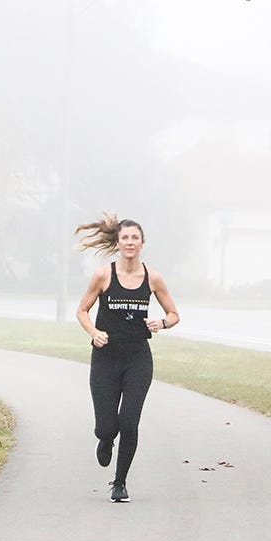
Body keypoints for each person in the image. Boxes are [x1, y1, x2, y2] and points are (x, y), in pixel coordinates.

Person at [74, 212, 180, 503]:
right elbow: (82, 310)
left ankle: (119, 483)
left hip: (138, 360)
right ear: (118, 243)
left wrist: (163, 323)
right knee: (106, 426)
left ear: (142, 243)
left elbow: (174, 314)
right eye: (125, 238)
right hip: (106, 360)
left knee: (129, 423)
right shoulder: (103, 275)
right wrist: (94, 332)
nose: (130, 242)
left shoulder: (153, 277)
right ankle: (105, 439)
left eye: (135, 238)